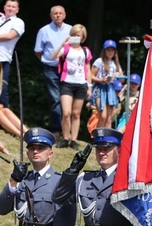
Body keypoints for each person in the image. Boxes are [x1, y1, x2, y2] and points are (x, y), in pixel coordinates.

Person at [51, 23, 92, 151]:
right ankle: (65, 137)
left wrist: (89, 86)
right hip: (67, 83)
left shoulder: (85, 50)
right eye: (73, 34)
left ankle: (73, 139)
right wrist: (63, 43)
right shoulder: (67, 49)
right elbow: (53, 56)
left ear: (82, 37)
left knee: (76, 113)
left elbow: (88, 68)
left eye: (78, 35)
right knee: (66, 112)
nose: (76, 37)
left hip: (81, 84)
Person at [34, 5, 70, 136]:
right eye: (55, 13)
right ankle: (57, 129)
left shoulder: (71, 30)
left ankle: (67, 130)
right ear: (51, 16)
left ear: (64, 15)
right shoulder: (44, 30)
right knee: (55, 99)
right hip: (51, 69)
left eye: (60, 13)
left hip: (68, 69)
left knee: (67, 99)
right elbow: (38, 51)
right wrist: (47, 61)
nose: (58, 15)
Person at [90, 40, 122, 129]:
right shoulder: (99, 61)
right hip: (100, 88)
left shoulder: (115, 63)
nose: (110, 52)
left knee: (109, 118)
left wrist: (117, 75)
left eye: (112, 50)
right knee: (102, 116)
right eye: (108, 50)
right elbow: (91, 75)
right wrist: (100, 80)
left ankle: (107, 139)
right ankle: (99, 137)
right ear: (104, 51)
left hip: (110, 89)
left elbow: (122, 78)